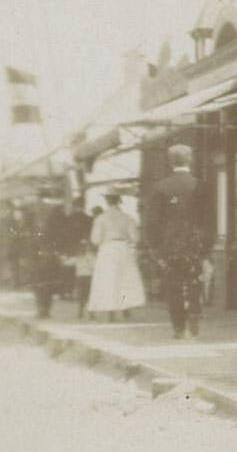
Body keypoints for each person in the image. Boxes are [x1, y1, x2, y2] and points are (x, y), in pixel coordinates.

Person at [144, 144, 214, 340]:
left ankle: (178, 328)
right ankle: (193, 313)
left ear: (170, 161)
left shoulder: (160, 188)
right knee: (195, 281)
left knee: (173, 286)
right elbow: (210, 221)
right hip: (195, 245)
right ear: (190, 160)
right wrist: (207, 250)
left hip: (170, 246)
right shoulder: (202, 186)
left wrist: (155, 250)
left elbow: (152, 222)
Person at [87, 193, 146, 321]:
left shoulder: (101, 218)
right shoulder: (127, 218)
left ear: (107, 202)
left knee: (107, 279)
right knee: (124, 278)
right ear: (119, 202)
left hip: (107, 249)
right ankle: (125, 307)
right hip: (123, 248)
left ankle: (110, 310)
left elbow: (95, 239)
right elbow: (135, 238)